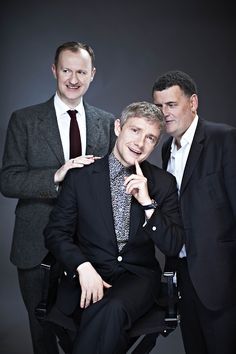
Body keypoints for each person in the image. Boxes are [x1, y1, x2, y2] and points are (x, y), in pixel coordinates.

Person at [0, 41, 116, 354]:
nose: (73, 78)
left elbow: (114, 182)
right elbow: (8, 180)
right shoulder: (23, 120)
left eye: (81, 71)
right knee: (42, 335)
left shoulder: (107, 123)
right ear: (54, 70)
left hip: (91, 246)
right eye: (66, 70)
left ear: (93, 75)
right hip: (34, 244)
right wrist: (57, 174)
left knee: (87, 331)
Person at [43, 101, 184, 354]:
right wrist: (82, 267)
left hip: (137, 279)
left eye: (150, 137)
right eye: (135, 130)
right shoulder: (80, 176)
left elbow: (173, 245)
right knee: (107, 316)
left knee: (111, 308)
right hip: (87, 274)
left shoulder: (163, 183)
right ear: (119, 127)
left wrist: (147, 203)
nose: (140, 143)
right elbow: (55, 233)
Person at [152, 70, 236, 354]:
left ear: (193, 103)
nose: (164, 113)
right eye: (159, 106)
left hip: (221, 276)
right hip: (184, 274)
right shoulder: (166, 149)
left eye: (171, 104)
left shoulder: (224, 139)